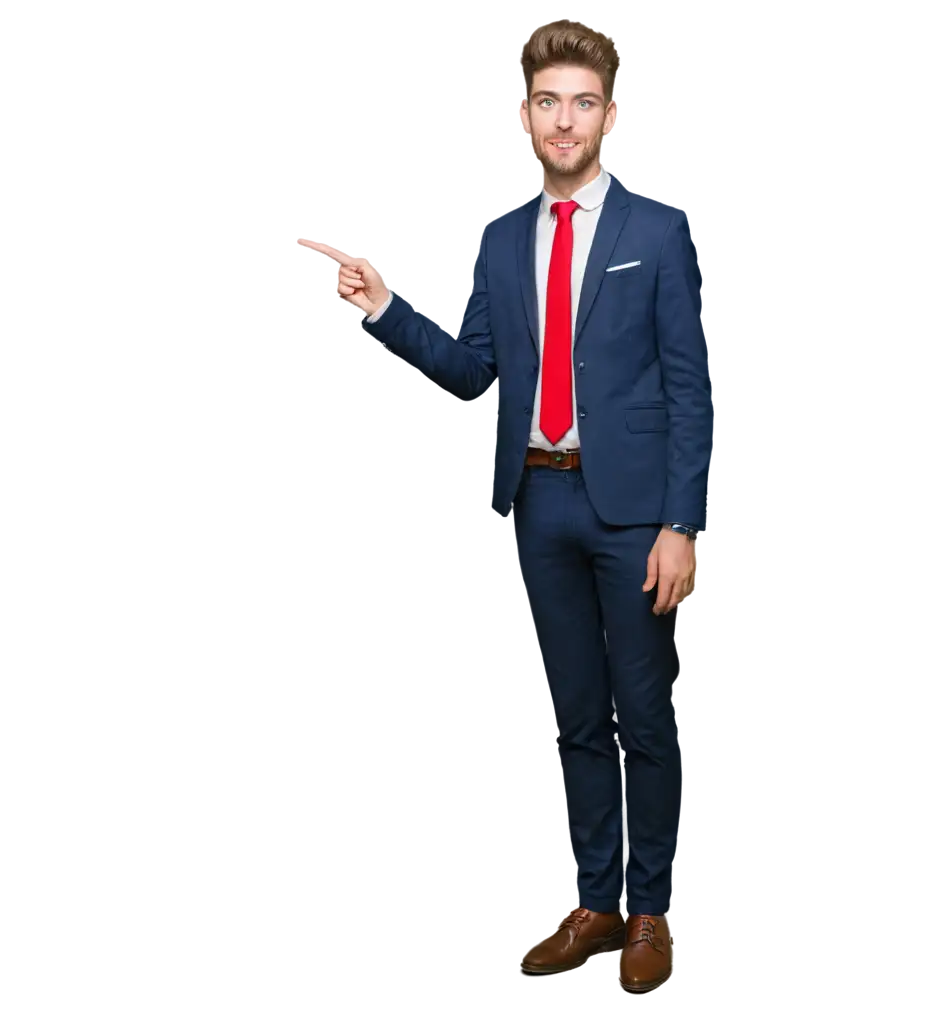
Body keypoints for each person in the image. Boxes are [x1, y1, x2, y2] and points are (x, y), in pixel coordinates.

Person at [297, 18, 710, 994]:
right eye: (546, 104)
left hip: (632, 515)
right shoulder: (497, 238)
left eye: (582, 103)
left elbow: (688, 387)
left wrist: (681, 524)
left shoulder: (655, 234)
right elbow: (479, 373)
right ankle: (596, 899)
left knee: (642, 717)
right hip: (539, 504)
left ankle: (649, 911)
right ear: (518, 116)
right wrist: (384, 310)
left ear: (611, 116)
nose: (563, 121)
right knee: (575, 716)